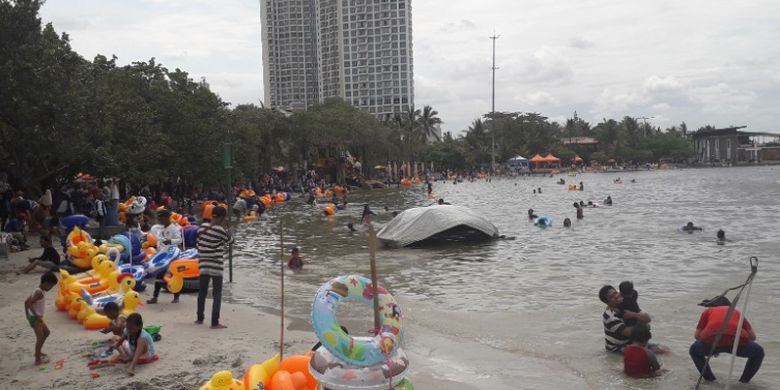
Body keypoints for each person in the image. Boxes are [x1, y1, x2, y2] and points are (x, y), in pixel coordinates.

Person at [689, 297, 764, 383]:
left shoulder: (708, 311)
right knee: (758, 352)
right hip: (736, 341)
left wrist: (714, 346)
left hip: (712, 341)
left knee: (694, 350)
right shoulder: (736, 312)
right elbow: (753, 337)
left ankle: (710, 380)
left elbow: (697, 336)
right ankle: (744, 382)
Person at [196, 206, 233, 329]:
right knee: (217, 294)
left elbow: (198, 244)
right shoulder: (220, 230)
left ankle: (199, 318)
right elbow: (231, 241)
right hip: (216, 266)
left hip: (203, 265)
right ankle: (214, 322)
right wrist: (228, 228)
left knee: (202, 292)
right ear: (222, 218)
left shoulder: (201, 228)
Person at [598, 285, 652, 353]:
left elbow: (648, 319)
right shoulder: (609, 316)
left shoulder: (626, 304)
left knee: (663, 349)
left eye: (615, 293)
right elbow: (631, 333)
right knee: (648, 354)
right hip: (617, 348)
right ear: (607, 302)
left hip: (633, 342)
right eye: (611, 297)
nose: (616, 296)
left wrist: (633, 314)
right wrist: (645, 325)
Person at [147, 210, 182, 304]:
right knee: (159, 275)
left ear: (166, 218)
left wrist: (170, 241)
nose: (159, 220)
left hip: (172, 254)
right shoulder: (160, 228)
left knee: (175, 275)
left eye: (160, 218)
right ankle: (155, 297)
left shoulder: (174, 228)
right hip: (162, 254)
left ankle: (176, 296)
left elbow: (180, 240)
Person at [25, 271, 57, 365]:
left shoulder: (38, 290)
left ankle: (38, 352)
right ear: (46, 283)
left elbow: (26, 302)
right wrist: (36, 316)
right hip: (36, 318)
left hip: (35, 317)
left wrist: (27, 314)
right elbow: (30, 303)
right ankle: (37, 359)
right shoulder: (39, 293)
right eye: (51, 286)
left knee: (46, 333)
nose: (51, 288)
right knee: (40, 337)